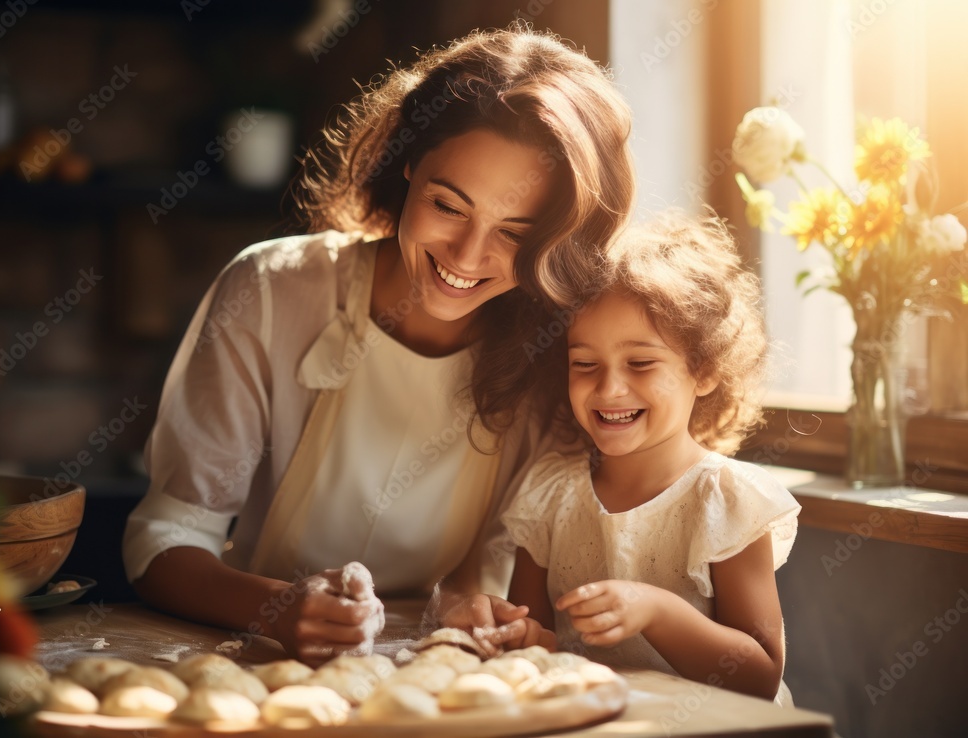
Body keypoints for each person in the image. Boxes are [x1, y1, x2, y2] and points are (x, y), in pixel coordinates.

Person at [121, 24, 635, 665]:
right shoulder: (272, 291)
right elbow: (165, 540)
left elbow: (514, 575)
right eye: (449, 206)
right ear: (409, 163)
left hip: (442, 677)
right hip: (260, 664)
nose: (468, 258)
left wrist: (477, 606)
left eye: (515, 233)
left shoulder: (561, 354)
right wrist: (275, 608)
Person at [498, 210, 801, 703]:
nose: (610, 387)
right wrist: (516, 636)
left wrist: (657, 610)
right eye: (584, 364)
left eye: (640, 362)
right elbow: (534, 645)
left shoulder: (726, 500)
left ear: (703, 371)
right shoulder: (549, 495)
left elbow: (760, 675)